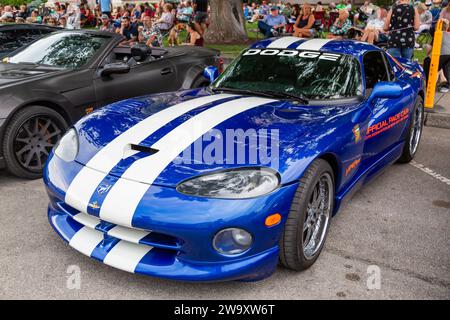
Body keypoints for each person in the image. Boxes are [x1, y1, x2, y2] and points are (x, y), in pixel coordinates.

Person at [423, 21, 450, 92]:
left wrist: (426, 47)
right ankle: (444, 82)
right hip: (447, 56)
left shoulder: (437, 35)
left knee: (427, 61)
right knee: (444, 65)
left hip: (442, 56)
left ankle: (429, 83)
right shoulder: (448, 34)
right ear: (447, 27)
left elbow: (430, 50)